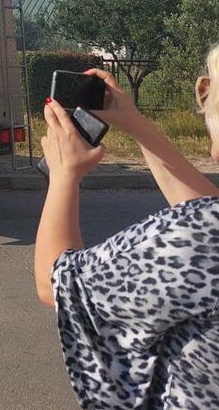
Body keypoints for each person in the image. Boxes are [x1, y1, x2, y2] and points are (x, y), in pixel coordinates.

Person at [34, 44, 219, 409]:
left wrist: (63, 175)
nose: (204, 93)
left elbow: (56, 282)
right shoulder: (207, 229)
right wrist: (136, 125)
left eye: (209, 87)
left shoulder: (200, 237)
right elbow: (207, 213)